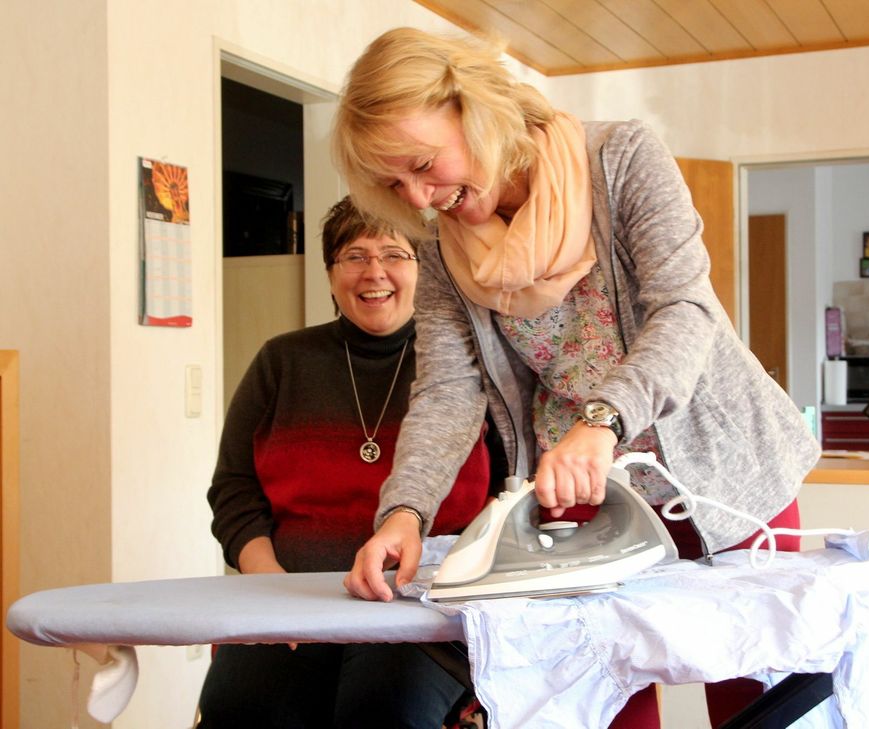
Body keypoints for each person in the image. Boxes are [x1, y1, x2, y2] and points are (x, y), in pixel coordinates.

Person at [334, 27, 821, 728]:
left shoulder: (619, 160)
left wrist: (603, 421)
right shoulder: (439, 249)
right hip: (579, 489)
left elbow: (684, 310)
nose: (417, 196)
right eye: (393, 183)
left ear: (471, 108)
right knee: (597, 694)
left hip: (723, 477)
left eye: (421, 164)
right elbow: (445, 390)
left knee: (747, 692)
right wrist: (403, 513)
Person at [198, 196, 494, 729]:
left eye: (394, 254)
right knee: (238, 710)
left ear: (424, 269)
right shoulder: (281, 361)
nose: (373, 272)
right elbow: (233, 492)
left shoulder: (466, 366)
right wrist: (272, 589)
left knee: (381, 712)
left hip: (421, 607)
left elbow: (506, 495)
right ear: (332, 275)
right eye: (354, 256)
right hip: (287, 593)